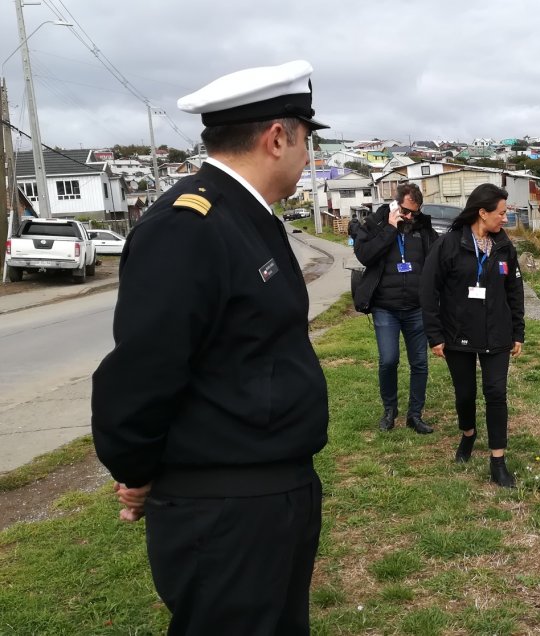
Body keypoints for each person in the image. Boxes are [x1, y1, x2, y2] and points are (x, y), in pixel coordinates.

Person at [90, 60, 330, 635]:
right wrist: (135, 469)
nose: (308, 157)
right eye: (307, 141)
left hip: (270, 495)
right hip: (226, 510)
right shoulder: (190, 224)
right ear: (277, 137)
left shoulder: (249, 216)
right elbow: (143, 371)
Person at [420, 183, 525, 487]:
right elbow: (428, 291)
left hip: (497, 334)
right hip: (458, 335)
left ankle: (498, 461)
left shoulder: (504, 246)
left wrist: (518, 331)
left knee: (496, 394)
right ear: (482, 212)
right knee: (465, 393)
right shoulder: (449, 245)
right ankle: (468, 433)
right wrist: (435, 335)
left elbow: (514, 291)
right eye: (501, 213)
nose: (505, 218)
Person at [353, 183, 438, 434]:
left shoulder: (422, 227)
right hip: (385, 308)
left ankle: (415, 415)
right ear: (394, 203)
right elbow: (365, 255)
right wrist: (391, 228)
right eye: (406, 211)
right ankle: (389, 411)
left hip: (415, 307)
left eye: (415, 212)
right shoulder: (376, 223)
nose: (410, 217)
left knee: (420, 362)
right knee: (388, 360)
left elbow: (435, 259)